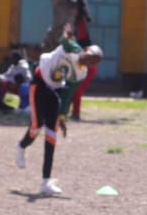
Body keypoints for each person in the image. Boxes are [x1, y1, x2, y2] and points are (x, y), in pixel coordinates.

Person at [13, 39, 101, 196]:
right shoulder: (73, 50)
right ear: (85, 49)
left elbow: (68, 93)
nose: (90, 61)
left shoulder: (82, 72)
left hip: (55, 90)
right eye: (90, 56)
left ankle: (45, 182)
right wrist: (66, 36)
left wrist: (62, 115)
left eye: (94, 62)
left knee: (51, 135)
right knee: (36, 126)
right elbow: (66, 43)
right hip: (39, 84)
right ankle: (21, 147)